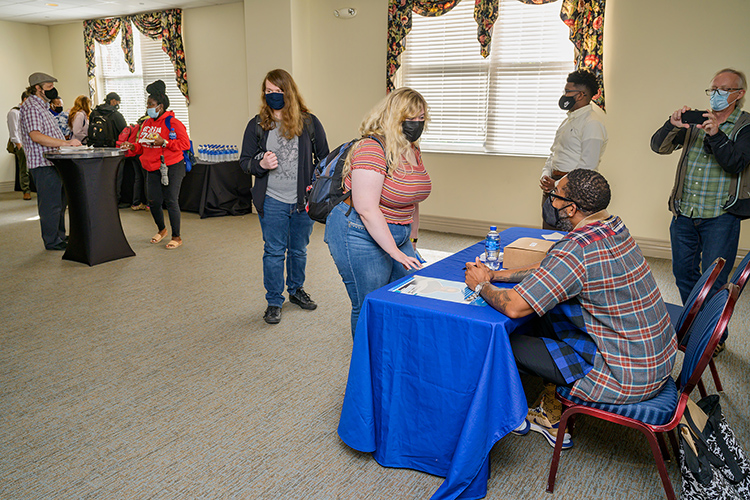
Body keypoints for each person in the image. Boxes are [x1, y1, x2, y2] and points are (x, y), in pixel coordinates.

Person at [464, 169, 677, 449]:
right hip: (653, 359)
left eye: (555, 197)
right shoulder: (613, 227)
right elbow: (550, 268)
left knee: (497, 340)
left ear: (572, 208)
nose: (551, 203)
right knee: (550, 315)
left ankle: (518, 414)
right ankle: (546, 400)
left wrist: (482, 285)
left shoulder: (575, 249)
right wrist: (498, 275)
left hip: (623, 375)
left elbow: (515, 307)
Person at [650, 68, 750, 345]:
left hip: (721, 216)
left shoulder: (746, 127)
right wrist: (672, 124)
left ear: (739, 94)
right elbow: (658, 147)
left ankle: (714, 338)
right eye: (713, 89)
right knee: (683, 275)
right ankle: (695, 328)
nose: (716, 95)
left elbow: (735, 163)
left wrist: (716, 135)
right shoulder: (696, 122)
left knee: (715, 282)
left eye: (724, 90)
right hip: (684, 214)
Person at [325, 87, 432, 336]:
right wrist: (395, 252)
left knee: (404, 295)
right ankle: (367, 370)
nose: (417, 124)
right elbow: (366, 208)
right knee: (369, 303)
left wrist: (412, 241)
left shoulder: (411, 149)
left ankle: (391, 354)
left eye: (422, 118)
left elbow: (413, 199)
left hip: (399, 231)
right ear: (393, 117)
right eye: (410, 119)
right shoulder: (371, 149)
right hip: (358, 232)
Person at [239, 69, 330, 325]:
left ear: (288, 92)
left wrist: (315, 187)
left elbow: (325, 160)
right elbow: (244, 162)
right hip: (272, 200)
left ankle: (296, 290)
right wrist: (261, 164)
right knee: (274, 252)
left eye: (278, 91)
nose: (273, 96)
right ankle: (273, 301)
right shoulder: (257, 125)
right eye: (268, 91)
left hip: (302, 202)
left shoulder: (309, 123)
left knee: (299, 250)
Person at [119, 80, 189, 250]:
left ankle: (176, 236)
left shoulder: (173, 123)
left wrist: (164, 142)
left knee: (171, 200)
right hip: (151, 168)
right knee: (153, 202)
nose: (148, 107)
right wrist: (131, 146)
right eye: (147, 104)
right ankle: (162, 230)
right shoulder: (146, 124)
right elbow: (141, 147)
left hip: (171, 166)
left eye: (151, 104)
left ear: (160, 106)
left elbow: (185, 144)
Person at [19, 72, 82, 250]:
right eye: (49, 87)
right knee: (50, 205)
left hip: (54, 162)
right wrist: (66, 143)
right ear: (37, 88)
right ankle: (52, 241)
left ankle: (59, 236)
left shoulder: (44, 106)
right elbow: (36, 135)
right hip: (42, 163)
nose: (53, 90)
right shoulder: (32, 107)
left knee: (60, 203)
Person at [540, 70, 608, 229]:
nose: (564, 95)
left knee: (566, 238)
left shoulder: (592, 124)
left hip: (572, 193)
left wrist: (557, 184)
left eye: (568, 91)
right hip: (553, 187)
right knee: (548, 233)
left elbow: (587, 167)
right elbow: (554, 153)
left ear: (581, 95)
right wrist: (545, 174)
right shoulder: (567, 122)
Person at [116, 115, 149, 211]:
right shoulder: (148, 123)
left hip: (133, 153)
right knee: (147, 178)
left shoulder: (139, 123)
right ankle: (149, 204)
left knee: (138, 178)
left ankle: (136, 203)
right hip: (141, 152)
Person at [7, 91, 32, 200]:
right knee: (24, 169)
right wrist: (18, 145)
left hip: (31, 143)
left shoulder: (29, 112)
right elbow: (14, 130)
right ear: (25, 99)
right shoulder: (14, 112)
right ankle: (26, 191)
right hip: (20, 144)